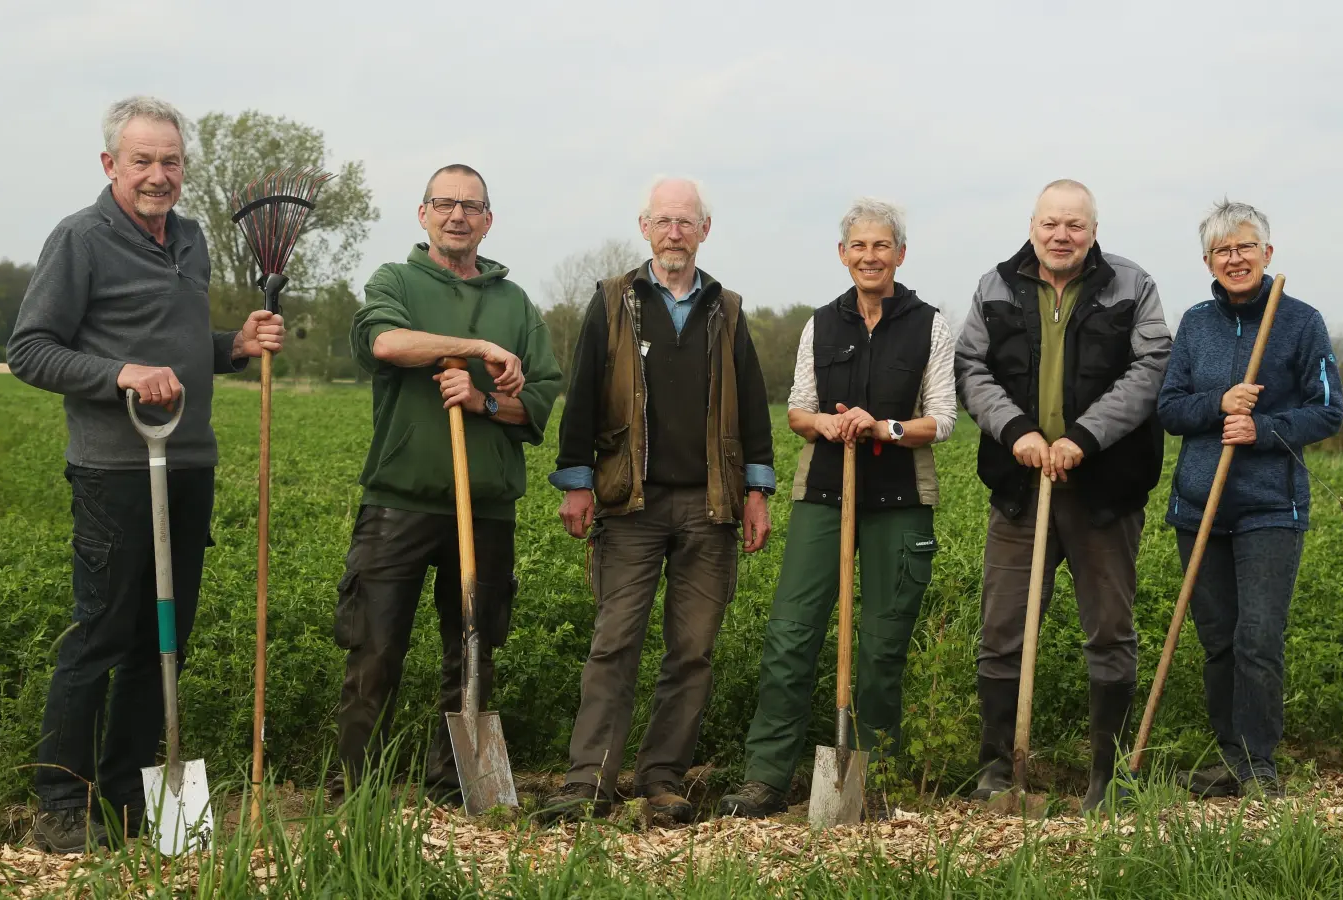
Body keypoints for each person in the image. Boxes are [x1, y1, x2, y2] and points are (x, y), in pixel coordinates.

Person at [7, 96, 285, 852]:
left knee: (163, 640)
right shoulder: (80, 239)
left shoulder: (189, 239)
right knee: (101, 634)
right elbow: (30, 349)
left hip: (188, 462)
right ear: (110, 165)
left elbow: (181, 342)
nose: (158, 175)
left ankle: (127, 795)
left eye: (171, 161)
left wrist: (234, 346)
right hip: (116, 469)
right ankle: (61, 802)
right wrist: (120, 373)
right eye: (142, 161)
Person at [538, 177, 776, 827]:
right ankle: (588, 780)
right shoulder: (613, 301)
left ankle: (662, 778)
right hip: (629, 505)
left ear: (705, 231)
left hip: (710, 505)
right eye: (664, 221)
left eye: (686, 222)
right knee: (614, 642)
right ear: (644, 227)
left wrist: (757, 491)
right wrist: (577, 482)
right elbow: (582, 394)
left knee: (692, 651)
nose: (675, 233)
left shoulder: (727, 309)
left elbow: (754, 407)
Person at [717, 198, 958, 818]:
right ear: (843, 254)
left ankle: (874, 780)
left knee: (882, 644)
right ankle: (767, 776)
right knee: (791, 633)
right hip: (825, 492)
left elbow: (943, 420)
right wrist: (827, 422)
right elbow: (798, 410)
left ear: (900, 254)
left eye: (881, 246)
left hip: (900, 499)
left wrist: (883, 428)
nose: (869, 256)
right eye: (859, 246)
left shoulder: (929, 325)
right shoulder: (821, 324)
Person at [331, 164, 561, 804]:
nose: (457, 215)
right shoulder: (395, 281)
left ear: (488, 220)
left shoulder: (516, 304)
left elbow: (539, 398)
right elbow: (385, 344)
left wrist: (485, 400)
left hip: (485, 507)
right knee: (375, 650)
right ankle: (359, 791)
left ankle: (455, 787)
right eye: (444, 203)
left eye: (471, 206)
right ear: (423, 213)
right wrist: (476, 348)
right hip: (399, 501)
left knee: (473, 651)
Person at [953, 179, 1171, 812]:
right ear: (1032, 226)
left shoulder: (1133, 285)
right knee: (1003, 630)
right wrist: (1017, 431)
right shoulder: (996, 286)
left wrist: (1084, 437)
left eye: (1075, 225)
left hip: (1104, 490)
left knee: (1109, 631)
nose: (1061, 235)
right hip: (1020, 489)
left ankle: (1107, 777)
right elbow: (971, 368)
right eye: (1051, 223)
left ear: (1093, 231)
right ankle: (998, 770)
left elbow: (1150, 368)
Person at [1158, 200, 1343, 800]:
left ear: (1267, 252)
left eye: (1244, 247)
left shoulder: (1301, 321)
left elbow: (1328, 411)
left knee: (1258, 639)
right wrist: (1219, 404)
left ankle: (1259, 766)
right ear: (1207, 261)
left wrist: (1261, 429)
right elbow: (1169, 408)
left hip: (1270, 507)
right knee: (1218, 642)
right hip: (1200, 508)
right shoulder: (1195, 324)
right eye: (1222, 250)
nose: (1234, 258)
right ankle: (1230, 759)